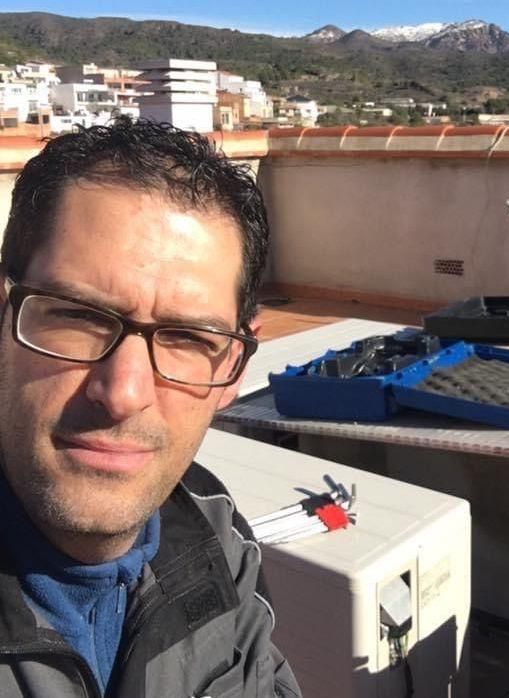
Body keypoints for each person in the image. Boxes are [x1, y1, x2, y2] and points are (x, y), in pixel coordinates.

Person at [0, 118, 301, 697]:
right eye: (78, 317)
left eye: (188, 338)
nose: (123, 393)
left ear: (232, 368)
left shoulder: (213, 534)